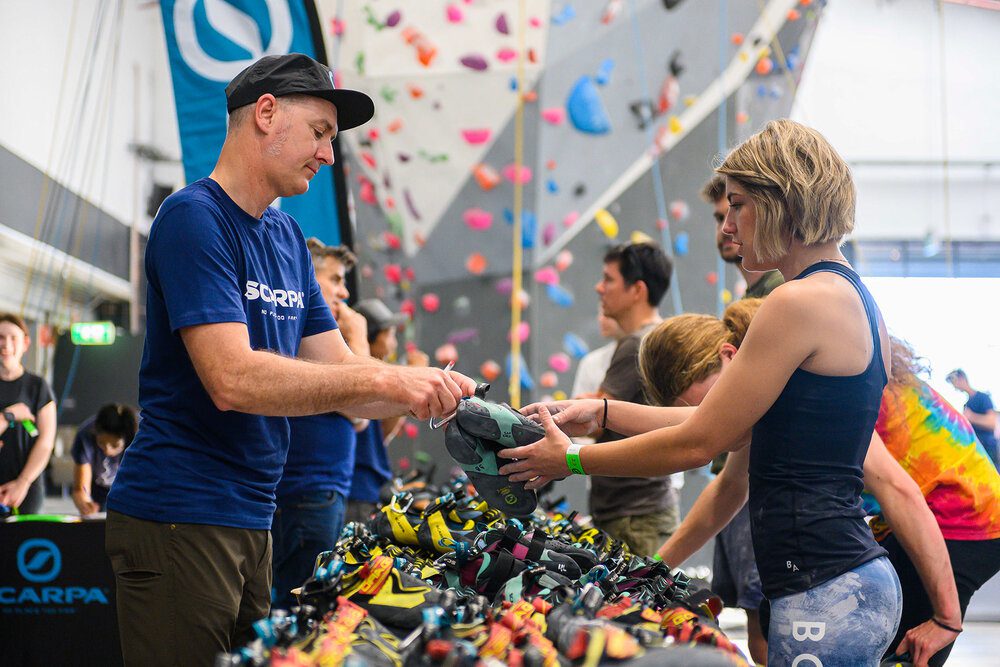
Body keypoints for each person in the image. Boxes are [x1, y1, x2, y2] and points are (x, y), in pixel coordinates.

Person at [498, 119, 962, 665]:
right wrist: (601, 411)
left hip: (824, 587)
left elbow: (699, 441)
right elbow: (736, 431)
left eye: (738, 205)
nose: (729, 229)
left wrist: (571, 460)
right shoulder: (851, 299)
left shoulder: (798, 303)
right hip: (838, 580)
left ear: (779, 201)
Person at [104, 53, 476, 664]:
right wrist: (389, 379)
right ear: (266, 113)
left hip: (256, 515)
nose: (329, 154)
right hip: (181, 513)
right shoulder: (193, 220)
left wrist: (430, 387)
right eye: (321, 132)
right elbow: (232, 378)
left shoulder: (283, 238)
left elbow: (342, 377)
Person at [642, 301, 985, 666]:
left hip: (962, 512)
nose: (716, 427)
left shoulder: (794, 379)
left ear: (729, 356)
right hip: (925, 509)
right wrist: (656, 568)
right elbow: (729, 490)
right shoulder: (766, 382)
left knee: (904, 650)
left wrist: (947, 619)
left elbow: (897, 488)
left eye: (709, 407)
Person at [271, 241, 369, 610]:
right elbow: (359, 403)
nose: (344, 293)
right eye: (336, 279)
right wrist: (357, 336)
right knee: (300, 607)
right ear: (308, 278)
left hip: (316, 493)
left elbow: (358, 415)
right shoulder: (293, 329)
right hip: (305, 494)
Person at [588, 241, 678, 557]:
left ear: (637, 290)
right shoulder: (664, 334)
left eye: (609, 279)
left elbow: (594, 420)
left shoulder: (634, 345)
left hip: (631, 514)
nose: (600, 288)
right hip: (648, 507)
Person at [345, 298, 422, 524]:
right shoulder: (354, 378)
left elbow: (382, 434)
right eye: (389, 335)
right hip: (354, 493)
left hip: (367, 491)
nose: (393, 343)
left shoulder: (375, 380)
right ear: (371, 337)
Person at [0, 313, 56, 515]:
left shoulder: (38, 387)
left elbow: (46, 442)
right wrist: (9, 415)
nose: (6, 345)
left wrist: (23, 483)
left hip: (27, 487)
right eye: (0, 337)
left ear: (25, 343)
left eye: (13, 338)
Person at [702, 174, 783, 299]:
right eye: (719, 218)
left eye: (736, 212)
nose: (725, 228)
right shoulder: (748, 300)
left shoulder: (780, 288)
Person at [70, 403, 138, 515]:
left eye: (115, 445)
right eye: (101, 443)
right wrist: (84, 502)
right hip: (99, 488)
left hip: (130, 488)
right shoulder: (85, 434)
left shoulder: (140, 436)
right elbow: (80, 487)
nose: (107, 451)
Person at [945, 368, 998, 468]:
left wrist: (972, 417)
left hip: (989, 452)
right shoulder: (966, 405)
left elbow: (992, 423)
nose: (954, 387)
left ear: (962, 378)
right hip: (976, 452)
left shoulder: (983, 397)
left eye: (954, 382)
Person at [570, 311, 623, 399]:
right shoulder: (590, 362)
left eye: (607, 313)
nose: (601, 319)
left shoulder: (644, 353)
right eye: (600, 313)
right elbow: (578, 405)